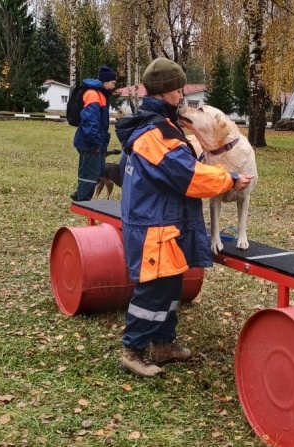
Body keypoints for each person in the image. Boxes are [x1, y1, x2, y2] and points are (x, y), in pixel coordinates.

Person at [114, 58, 254, 378]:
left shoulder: (159, 125)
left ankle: (164, 344)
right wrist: (229, 180)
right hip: (154, 226)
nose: (181, 95)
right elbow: (189, 177)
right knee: (154, 290)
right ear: (167, 92)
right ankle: (133, 350)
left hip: (163, 223)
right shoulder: (156, 132)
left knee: (171, 286)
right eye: (179, 89)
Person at [70, 65, 117, 201]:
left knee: (99, 170)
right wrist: (96, 143)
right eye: (112, 83)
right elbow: (90, 121)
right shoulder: (93, 95)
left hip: (95, 142)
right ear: (105, 81)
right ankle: (83, 200)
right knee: (90, 174)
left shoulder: (100, 95)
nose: (113, 86)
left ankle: (80, 193)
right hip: (89, 142)